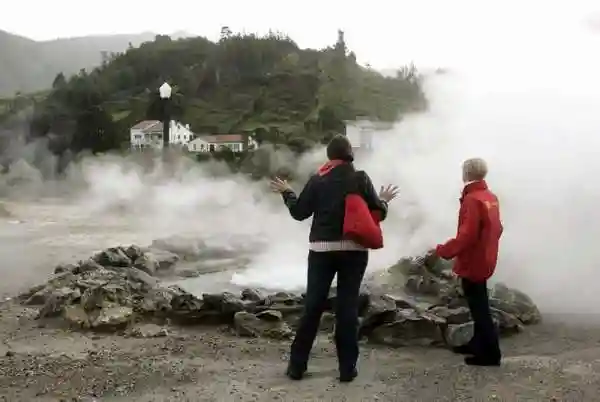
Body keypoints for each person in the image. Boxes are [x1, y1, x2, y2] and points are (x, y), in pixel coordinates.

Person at [270, 134, 398, 382]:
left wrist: (287, 193)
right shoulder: (360, 178)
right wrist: (384, 200)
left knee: (313, 307)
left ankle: (297, 366)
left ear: (329, 156)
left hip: (321, 251)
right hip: (354, 252)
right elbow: (378, 212)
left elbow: (299, 213)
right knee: (347, 309)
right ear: (351, 154)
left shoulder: (319, 179)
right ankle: (347, 369)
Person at [429, 157, 503, 366]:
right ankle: (477, 344)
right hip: (486, 256)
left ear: (466, 174)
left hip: (473, 259)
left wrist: (443, 251)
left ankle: (490, 353)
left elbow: (467, 235)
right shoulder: (490, 197)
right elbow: (498, 228)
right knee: (479, 302)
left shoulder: (472, 199)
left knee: (479, 307)